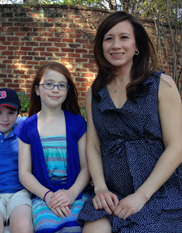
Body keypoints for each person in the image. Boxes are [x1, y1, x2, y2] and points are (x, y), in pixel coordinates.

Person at [77, 11, 182, 232]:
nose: (116, 45)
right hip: (112, 195)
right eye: (109, 38)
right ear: (101, 47)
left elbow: (177, 147)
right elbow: (94, 146)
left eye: (124, 37)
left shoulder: (162, 85)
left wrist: (141, 196)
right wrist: (101, 189)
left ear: (137, 46)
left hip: (159, 192)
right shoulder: (94, 94)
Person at [15, 62, 91, 233]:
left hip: (76, 192)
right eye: (49, 84)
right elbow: (24, 173)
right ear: (37, 89)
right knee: (47, 227)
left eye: (62, 85)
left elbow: (87, 167)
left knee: (77, 227)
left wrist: (71, 194)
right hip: (44, 197)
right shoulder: (27, 128)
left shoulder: (78, 124)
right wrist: (47, 196)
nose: (55, 89)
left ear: (67, 91)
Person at [0, 88, 33, 233]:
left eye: (11, 112)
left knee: (23, 225)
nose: (5, 118)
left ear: (17, 114)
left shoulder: (23, 138)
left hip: (19, 192)